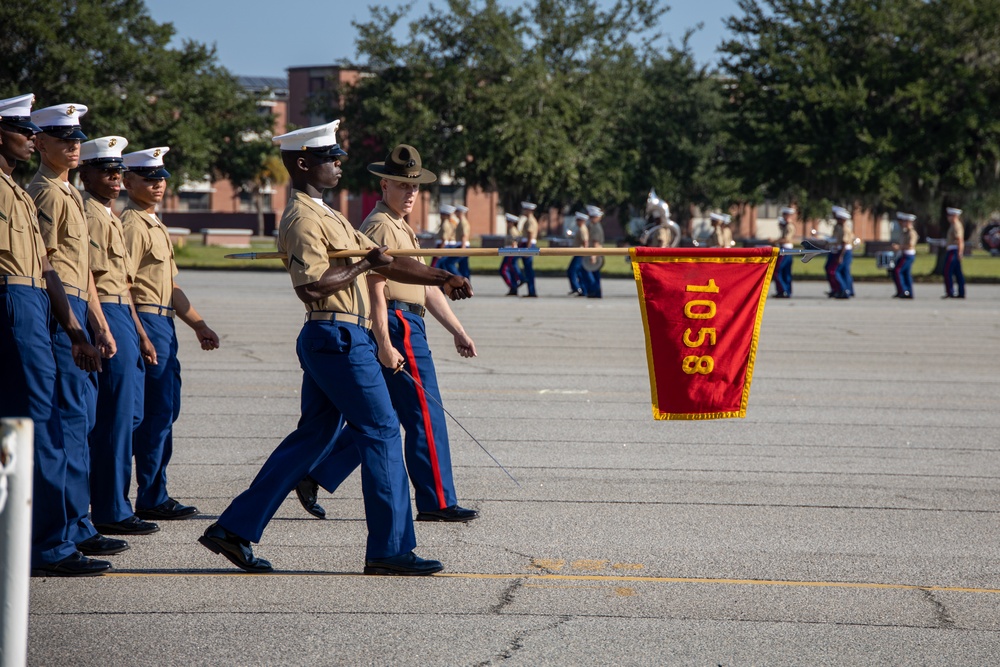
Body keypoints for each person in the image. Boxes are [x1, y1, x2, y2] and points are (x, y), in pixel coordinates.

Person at [199, 123, 473, 575]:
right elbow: (310, 287)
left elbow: (389, 261)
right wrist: (365, 264)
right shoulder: (304, 218)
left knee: (314, 438)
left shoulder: (328, 214)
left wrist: (443, 277)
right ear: (304, 163)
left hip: (342, 336)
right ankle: (390, 549)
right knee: (382, 431)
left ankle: (233, 529)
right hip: (338, 336)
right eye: (331, 157)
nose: (339, 164)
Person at [295, 142, 479, 525]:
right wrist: (383, 340)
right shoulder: (380, 226)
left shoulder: (400, 226)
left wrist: (457, 329)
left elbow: (426, 289)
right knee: (424, 414)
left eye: (414, 187)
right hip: (396, 324)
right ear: (384, 187)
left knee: (386, 414)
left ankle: (319, 473)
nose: (410, 193)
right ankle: (437, 500)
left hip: (409, 320)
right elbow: (375, 287)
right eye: (402, 185)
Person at [0, 93, 109, 576]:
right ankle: (49, 545)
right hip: (13, 300)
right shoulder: (28, 190)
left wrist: (75, 328)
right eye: (23, 130)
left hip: (34, 300)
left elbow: (46, 266)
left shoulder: (19, 192)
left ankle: (53, 537)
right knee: (42, 423)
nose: (29, 137)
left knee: (43, 422)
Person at [27, 103, 125, 558]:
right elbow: (46, 267)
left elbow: (82, 269)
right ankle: (65, 531)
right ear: (39, 142)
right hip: (58, 322)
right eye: (61, 138)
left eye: (76, 138)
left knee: (79, 425)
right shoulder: (45, 193)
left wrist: (99, 324)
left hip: (81, 316)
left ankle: (79, 524)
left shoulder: (67, 195)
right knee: (67, 427)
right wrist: (74, 331)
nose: (72, 145)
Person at [121, 146, 218, 522]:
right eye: (148, 178)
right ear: (128, 181)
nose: (158, 184)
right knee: (148, 414)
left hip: (164, 322)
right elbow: (122, 286)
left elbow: (172, 287)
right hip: (145, 321)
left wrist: (198, 324)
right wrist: (141, 334)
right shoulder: (131, 225)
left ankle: (153, 493)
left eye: (161, 177)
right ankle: (145, 496)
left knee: (164, 410)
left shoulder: (154, 223)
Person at [80, 136, 161, 537]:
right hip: (104, 311)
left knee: (130, 415)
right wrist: (103, 326)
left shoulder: (108, 215)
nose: (114, 179)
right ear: (86, 173)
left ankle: (114, 502)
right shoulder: (92, 215)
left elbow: (125, 284)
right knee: (113, 418)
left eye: (117, 172)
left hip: (121, 311)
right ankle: (110, 508)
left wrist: (141, 334)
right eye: (107, 172)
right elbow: (89, 279)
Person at [891, 212, 918, 299]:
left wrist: (899, 247)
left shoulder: (911, 233)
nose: (903, 223)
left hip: (908, 255)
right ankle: (906, 291)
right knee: (905, 273)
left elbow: (910, 245)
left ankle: (904, 290)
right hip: (904, 254)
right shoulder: (905, 232)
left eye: (905, 222)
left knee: (898, 271)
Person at [772, 207, 796, 298]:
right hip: (786, 250)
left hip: (786, 250)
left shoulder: (789, 226)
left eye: (785, 215)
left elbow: (787, 239)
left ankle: (783, 290)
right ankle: (786, 291)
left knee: (778, 270)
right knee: (785, 271)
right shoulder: (787, 226)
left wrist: (775, 240)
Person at [943, 207, 966, 299]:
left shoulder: (956, 225)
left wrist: (960, 252)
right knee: (957, 272)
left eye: (950, 215)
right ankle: (961, 292)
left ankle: (950, 291)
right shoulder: (953, 225)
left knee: (947, 271)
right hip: (952, 249)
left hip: (954, 250)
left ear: (955, 216)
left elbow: (959, 240)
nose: (948, 217)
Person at [567, 211, 590, 296]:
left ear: (582, 221)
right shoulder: (580, 229)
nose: (576, 222)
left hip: (580, 253)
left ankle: (577, 288)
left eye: (578, 220)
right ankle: (582, 289)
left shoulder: (582, 229)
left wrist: (585, 253)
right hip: (578, 253)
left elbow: (585, 242)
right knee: (579, 272)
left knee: (572, 271)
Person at [518, 201, 538, 297]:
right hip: (527, 244)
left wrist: (528, 249)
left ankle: (532, 291)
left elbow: (530, 235)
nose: (523, 211)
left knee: (529, 269)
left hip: (528, 245)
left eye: (525, 209)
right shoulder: (528, 220)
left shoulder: (530, 220)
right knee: (527, 269)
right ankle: (531, 291)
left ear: (529, 210)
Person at [500, 212, 523, 295]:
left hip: (510, 252)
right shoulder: (510, 230)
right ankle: (513, 288)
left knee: (503, 270)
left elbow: (514, 243)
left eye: (508, 222)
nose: (507, 223)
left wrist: (511, 254)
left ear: (512, 222)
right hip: (508, 251)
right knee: (510, 271)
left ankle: (513, 286)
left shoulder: (512, 231)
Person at [585, 205, 604, 298]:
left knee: (590, 272)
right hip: (595, 253)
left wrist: (593, 256)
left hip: (595, 253)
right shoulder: (593, 226)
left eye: (592, 217)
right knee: (595, 274)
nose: (590, 219)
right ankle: (596, 292)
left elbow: (595, 243)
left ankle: (594, 290)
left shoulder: (595, 227)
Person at [435, 204, 458, 274]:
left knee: (436, 266)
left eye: (442, 214)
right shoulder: (448, 223)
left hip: (443, 245)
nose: (440, 216)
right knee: (443, 267)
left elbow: (444, 238)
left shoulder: (445, 223)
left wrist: (440, 251)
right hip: (445, 245)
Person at [454, 204, 471, 280]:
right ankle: (465, 283)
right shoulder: (460, 222)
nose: (455, 213)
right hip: (462, 245)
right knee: (463, 267)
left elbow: (464, 236)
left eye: (457, 212)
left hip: (463, 246)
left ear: (460, 212)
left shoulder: (463, 222)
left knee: (449, 263)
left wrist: (462, 248)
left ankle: (461, 280)